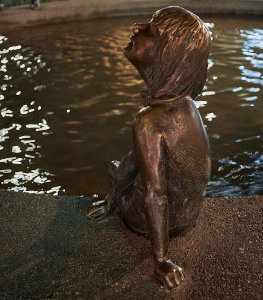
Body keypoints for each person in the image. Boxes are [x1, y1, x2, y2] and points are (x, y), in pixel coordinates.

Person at [87, 6, 212, 289]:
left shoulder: (148, 123)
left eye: (151, 31)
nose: (137, 27)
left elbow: (156, 196)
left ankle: (113, 202)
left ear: (167, 56)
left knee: (118, 168)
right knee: (136, 160)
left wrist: (162, 260)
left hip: (151, 221)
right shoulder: (187, 104)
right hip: (190, 214)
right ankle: (112, 196)